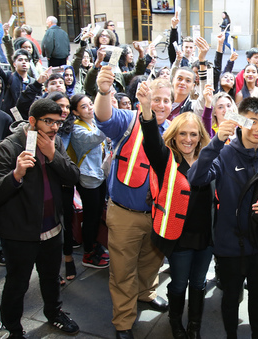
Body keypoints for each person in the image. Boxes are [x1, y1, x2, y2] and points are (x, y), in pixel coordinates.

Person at [0, 98, 81, 339]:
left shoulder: (52, 145)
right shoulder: (7, 148)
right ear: (33, 121)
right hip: (19, 233)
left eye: (58, 122)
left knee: (50, 277)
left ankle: (54, 313)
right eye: (48, 122)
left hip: (52, 228)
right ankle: (13, 328)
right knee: (17, 284)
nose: (54, 127)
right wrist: (16, 175)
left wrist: (52, 156)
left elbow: (74, 177)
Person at [187, 97, 258, 339]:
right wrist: (216, 142)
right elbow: (195, 178)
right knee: (231, 295)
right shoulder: (225, 152)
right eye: (252, 121)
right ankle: (231, 334)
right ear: (240, 121)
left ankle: (257, 334)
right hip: (230, 242)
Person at [94, 67, 169, 339]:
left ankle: (146, 293)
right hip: (125, 214)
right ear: (144, 98)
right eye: (156, 98)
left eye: (165, 100)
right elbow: (103, 117)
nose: (160, 105)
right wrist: (103, 92)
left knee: (151, 262)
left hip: (158, 214)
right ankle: (124, 321)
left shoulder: (172, 131)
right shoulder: (127, 120)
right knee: (123, 271)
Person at [138, 80, 213, 339]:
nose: (188, 139)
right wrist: (147, 110)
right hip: (178, 235)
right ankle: (175, 322)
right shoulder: (165, 159)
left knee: (200, 283)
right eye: (183, 134)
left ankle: (194, 324)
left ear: (201, 136)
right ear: (174, 136)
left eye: (193, 134)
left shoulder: (208, 158)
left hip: (207, 236)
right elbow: (150, 140)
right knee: (179, 283)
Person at [68, 94, 109, 270]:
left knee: (98, 212)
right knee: (91, 217)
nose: (90, 108)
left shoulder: (92, 122)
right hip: (88, 177)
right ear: (75, 112)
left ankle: (95, 244)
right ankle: (88, 252)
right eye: (84, 107)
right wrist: (108, 119)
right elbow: (95, 138)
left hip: (99, 174)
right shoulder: (76, 129)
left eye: (91, 104)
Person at [0, 43, 36, 114]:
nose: (24, 62)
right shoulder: (9, 76)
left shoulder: (33, 82)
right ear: (14, 64)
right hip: (10, 115)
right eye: (20, 60)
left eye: (26, 60)